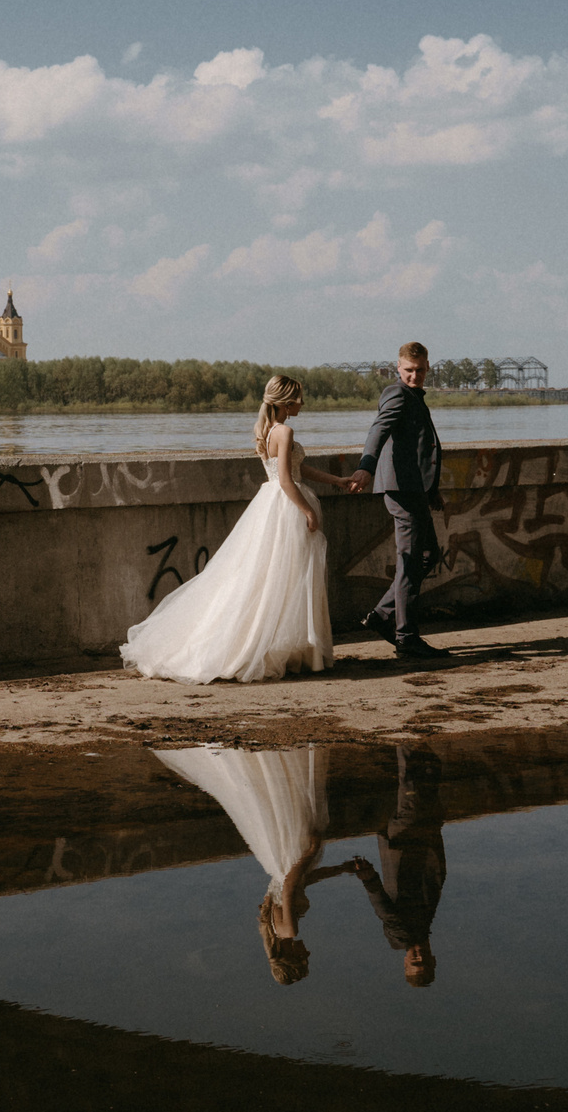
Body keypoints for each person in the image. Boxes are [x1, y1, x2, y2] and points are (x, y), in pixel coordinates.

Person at [121, 374, 339, 684]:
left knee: (265, 579)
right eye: (299, 398)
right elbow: (288, 480)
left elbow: (296, 469)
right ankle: (270, 650)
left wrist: (338, 481)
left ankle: (280, 649)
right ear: (286, 402)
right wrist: (306, 511)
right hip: (285, 506)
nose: (302, 404)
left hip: (270, 504)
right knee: (284, 579)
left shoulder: (267, 431)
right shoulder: (285, 430)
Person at [153, 744, 363, 985]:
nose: (308, 954)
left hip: (291, 860)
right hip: (282, 861)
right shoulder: (272, 927)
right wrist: (341, 869)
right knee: (276, 803)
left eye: (304, 959)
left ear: (291, 957)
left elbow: (290, 887)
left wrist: (310, 853)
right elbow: (304, 882)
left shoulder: (289, 931)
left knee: (294, 800)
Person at [337, 341, 450, 659]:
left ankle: (383, 616)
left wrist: (431, 490)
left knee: (428, 555)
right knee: (413, 561)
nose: (415, 376)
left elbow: (418, 448)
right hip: (400, 492)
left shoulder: (414, 396)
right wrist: (365, 468)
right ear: (398, 369)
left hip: (415, 490)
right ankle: (406, 637)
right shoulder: (397, 393)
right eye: (409, 370)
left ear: (428, 367)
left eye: (420, 370)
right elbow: (378, 431)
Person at [348, 743, 446, 987]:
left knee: (411, 786)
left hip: (408, 840)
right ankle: (421, 740)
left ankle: (406, 738)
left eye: (415, 962)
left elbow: (385, 910)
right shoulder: (423, 928)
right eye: (425, 961)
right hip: (422, 838)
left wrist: (369, 880)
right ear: (434, 960)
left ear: (405, 962)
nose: (419, 956)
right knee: (426, 785)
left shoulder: (401, 937)